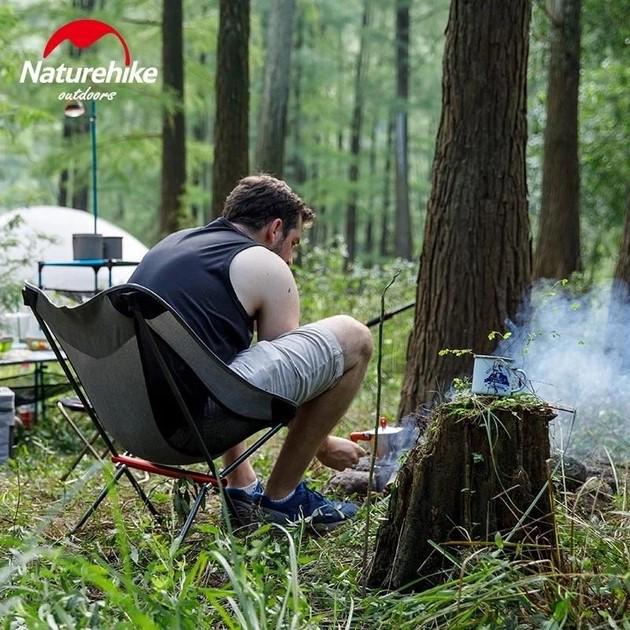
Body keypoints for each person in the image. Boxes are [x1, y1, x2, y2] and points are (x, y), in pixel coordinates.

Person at [129, 174, 372, 530]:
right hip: (192, 427)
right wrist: (323, 445)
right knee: (355, 337)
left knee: (224, 357)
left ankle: (240, 484)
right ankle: (284, 498)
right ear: (274, 230)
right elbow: (286, 388)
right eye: (294, 242)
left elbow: (227, 363)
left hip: (136, 426)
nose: (290, 258)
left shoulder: (173, 245)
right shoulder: (263, 261)